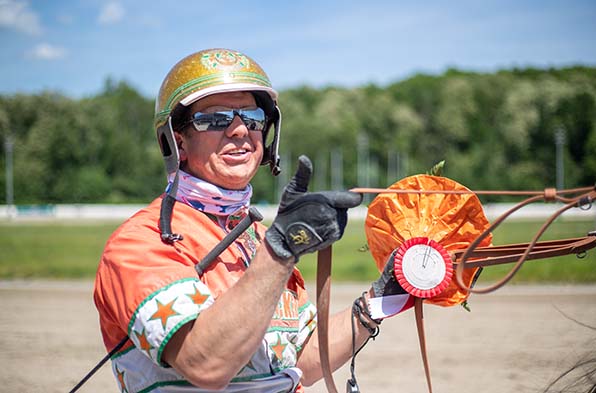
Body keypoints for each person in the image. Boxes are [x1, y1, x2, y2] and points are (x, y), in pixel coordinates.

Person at [94, 48, 412, 393]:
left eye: (252, 117)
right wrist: (279, 252)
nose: (239, 130)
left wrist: (378, 301)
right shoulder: (141, 242)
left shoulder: (261, 241)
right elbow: (205, 364)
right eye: (214, 119)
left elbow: (298, 362)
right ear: (177, 141)